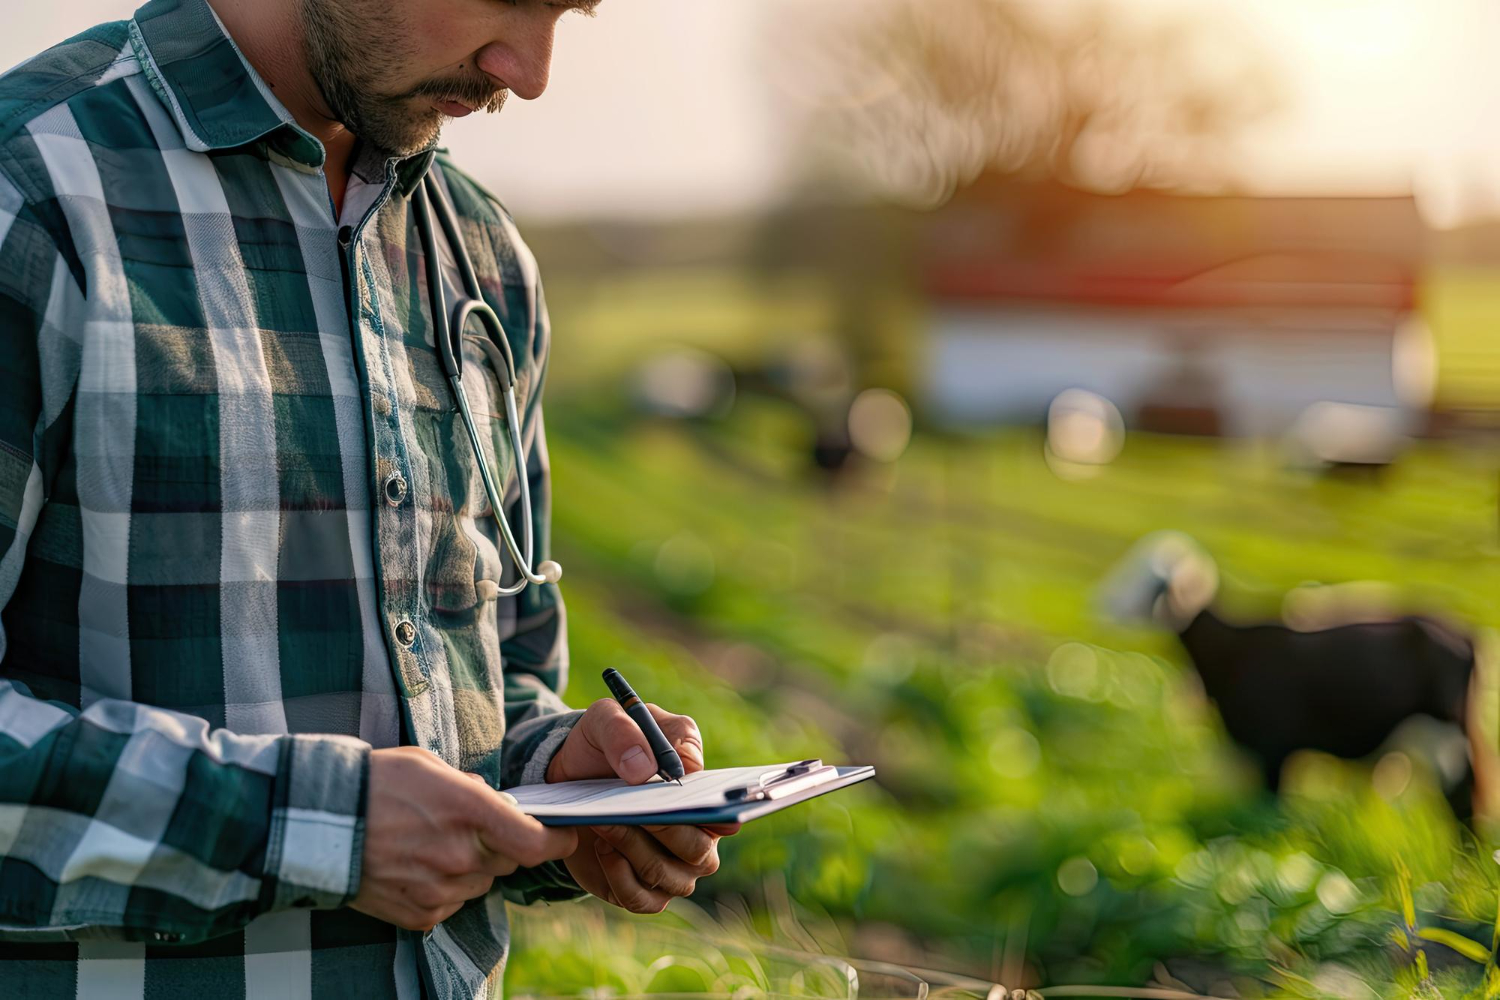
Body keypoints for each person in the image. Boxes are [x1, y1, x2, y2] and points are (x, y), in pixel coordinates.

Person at [0, 0, 734, 995]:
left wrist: (565, 779)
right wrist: (314, 825)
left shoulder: (486, 260)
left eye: (567, 12)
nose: (530, 71)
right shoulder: (31, 188)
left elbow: (495, 681)